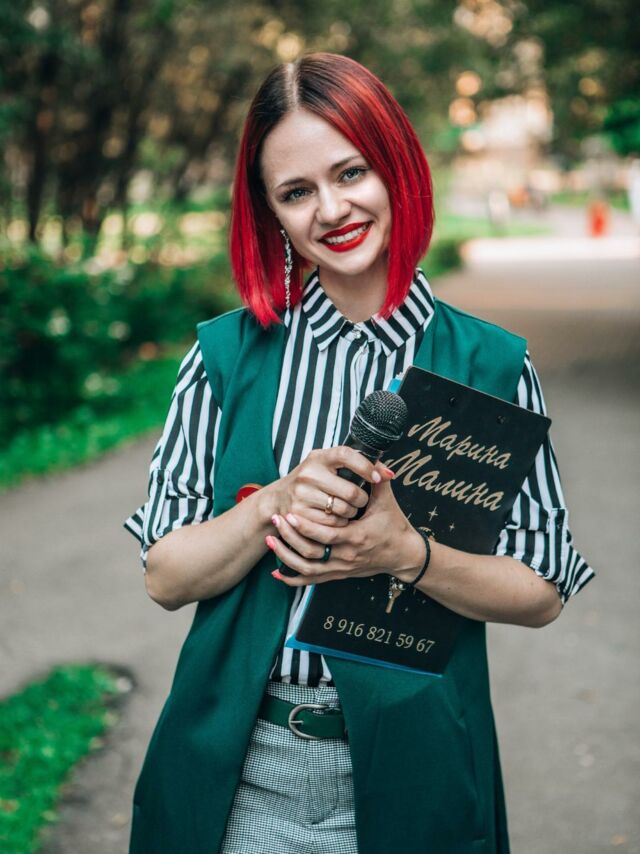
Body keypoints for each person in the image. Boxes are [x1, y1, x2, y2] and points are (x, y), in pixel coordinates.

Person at [124, 52, 594, 854]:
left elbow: (543, 589)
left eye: (351, 173)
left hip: (422, 773)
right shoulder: (223, 358)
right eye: (296, 192)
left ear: (395, 168)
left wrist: (405, 554)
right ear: (270, 211)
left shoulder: (492, 366)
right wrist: (271, 505)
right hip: (238, 770)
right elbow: (165, 576)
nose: (332, 209)